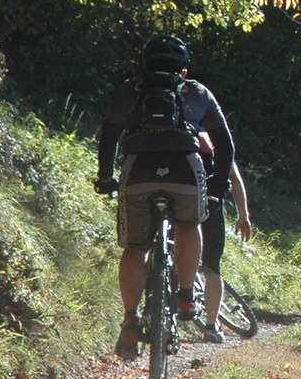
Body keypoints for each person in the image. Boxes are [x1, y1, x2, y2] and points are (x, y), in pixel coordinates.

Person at [94, 35, 234, 360]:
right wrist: (217, 189)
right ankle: (186, 295)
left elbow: (109, 139)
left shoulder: (130, 91)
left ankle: (130, 318)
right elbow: (225, 145)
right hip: (185, 171)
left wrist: (105, 177)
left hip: (138, 170)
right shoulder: (197, 92)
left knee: (135, 247)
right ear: (183, 70)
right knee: (188, 222)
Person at [200, 161, 252, 343]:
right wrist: (243, 216)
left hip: (176, 199)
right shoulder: (216, 140)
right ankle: (211, 325)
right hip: (210, 204)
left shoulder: (178, 134)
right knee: (212, 267)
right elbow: (235, 180)